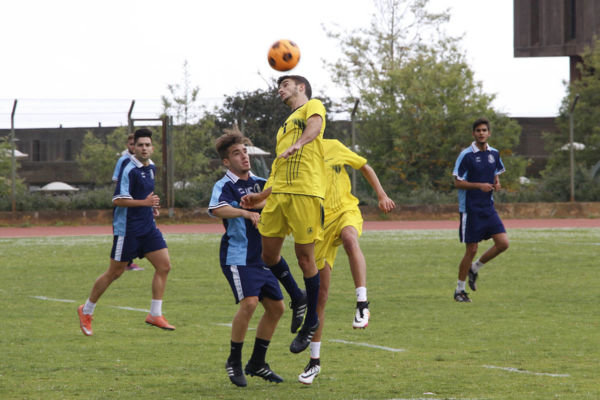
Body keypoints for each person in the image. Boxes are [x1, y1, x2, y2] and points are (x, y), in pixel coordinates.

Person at [298, 138, 396, 385]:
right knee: (320, 296)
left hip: (345, 211)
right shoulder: (297, 157)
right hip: (319, 226)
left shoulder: (334, 146)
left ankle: (362, 303)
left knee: (351, 239)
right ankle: (314, 362)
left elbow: (364, 166)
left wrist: (381, 195)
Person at [241, 75, 326, 354]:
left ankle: (311, 319)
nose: (280, 89)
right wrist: (261, 196)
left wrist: (300, 144)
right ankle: (298, 296)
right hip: (278, 196)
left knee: (305, 257)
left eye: (286, 84)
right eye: (279, 86)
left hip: (305, 192)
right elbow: (277, 169)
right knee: (268, 256)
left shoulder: (312, 106)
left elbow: (315, 126)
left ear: (301, 87)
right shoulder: (282, 128)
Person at [77, 128, 175, 335]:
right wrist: (144, 202)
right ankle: (86, 310)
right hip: (128, 230)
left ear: (152, 148)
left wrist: (151, 206)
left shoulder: (152, 168)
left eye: (147, 145)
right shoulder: (128, 168)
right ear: (134, 148)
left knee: (164, 266)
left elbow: (145, 195)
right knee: (115, 272)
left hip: (148, 227)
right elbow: (117, 199)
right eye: (140, 145)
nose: (144, 148)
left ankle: (155, 314)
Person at [209, 129, 285, 387]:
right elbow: (217, 209)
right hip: (237, 256)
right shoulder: (224, 185)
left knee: (277, 308)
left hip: (262, 257)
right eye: (236, 153)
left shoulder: (262, 183)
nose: (243, 157)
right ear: (226, 162)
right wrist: (244, 212)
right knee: (250, 303)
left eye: (244, 151)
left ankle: (258, 363)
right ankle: (234, 361)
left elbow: (280, 197)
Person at [451, 117, 510, 303]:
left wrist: (497, 183)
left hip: (488, 207)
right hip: (470, 209)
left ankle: (474, 268)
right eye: (478, 130)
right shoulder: (466, 155)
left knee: (503, 243)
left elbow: (495, 172)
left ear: (489, 133)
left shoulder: (494, 153)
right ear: (473, 134)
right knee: (472, 249)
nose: (481, 133)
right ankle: (459, 290)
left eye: (484, 130)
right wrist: (479, 186)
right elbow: (457, 182)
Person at [112, 133, 143, 271]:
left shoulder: (145, 162)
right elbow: (118, 181)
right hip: (125, 203)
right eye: (132, 144)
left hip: (138, 206)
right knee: (123, 231)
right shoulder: (124, 161)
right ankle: (126, 262)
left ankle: (130, 260)